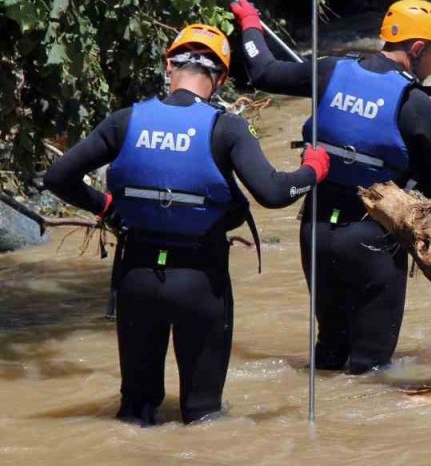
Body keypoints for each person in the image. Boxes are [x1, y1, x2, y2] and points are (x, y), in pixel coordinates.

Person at [44, 24, 329, 425]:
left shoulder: (125, 120)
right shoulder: (226, 128)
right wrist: (312, 171)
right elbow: (274, 193)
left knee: (135, 413)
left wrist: (108, 208)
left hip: (137, 276)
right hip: (201, 281)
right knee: (202, 415)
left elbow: (56, 177)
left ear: (168, 65)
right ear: (222, 78)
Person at [228, 0, 431, 375]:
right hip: (371, 241)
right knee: (371, 372)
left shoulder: (332, 71)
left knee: (330, 353)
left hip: (315, 233)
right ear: (417, 49)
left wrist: (251, 22)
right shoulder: (415, 103)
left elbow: (263, 71)